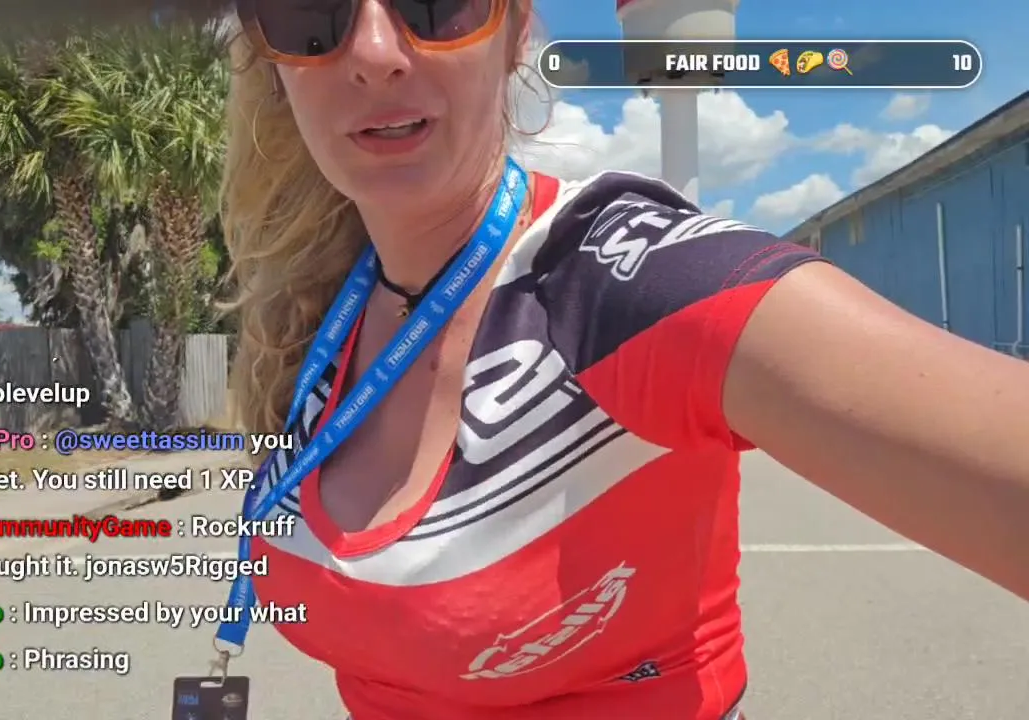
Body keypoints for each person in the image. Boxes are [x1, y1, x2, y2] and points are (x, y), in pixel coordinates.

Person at [218, 0, 1029, 718]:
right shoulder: (313, 306)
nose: (373, 51)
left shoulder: (620, 280)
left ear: (514, 31)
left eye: (435, 3)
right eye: (309, 13)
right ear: (270, 59)